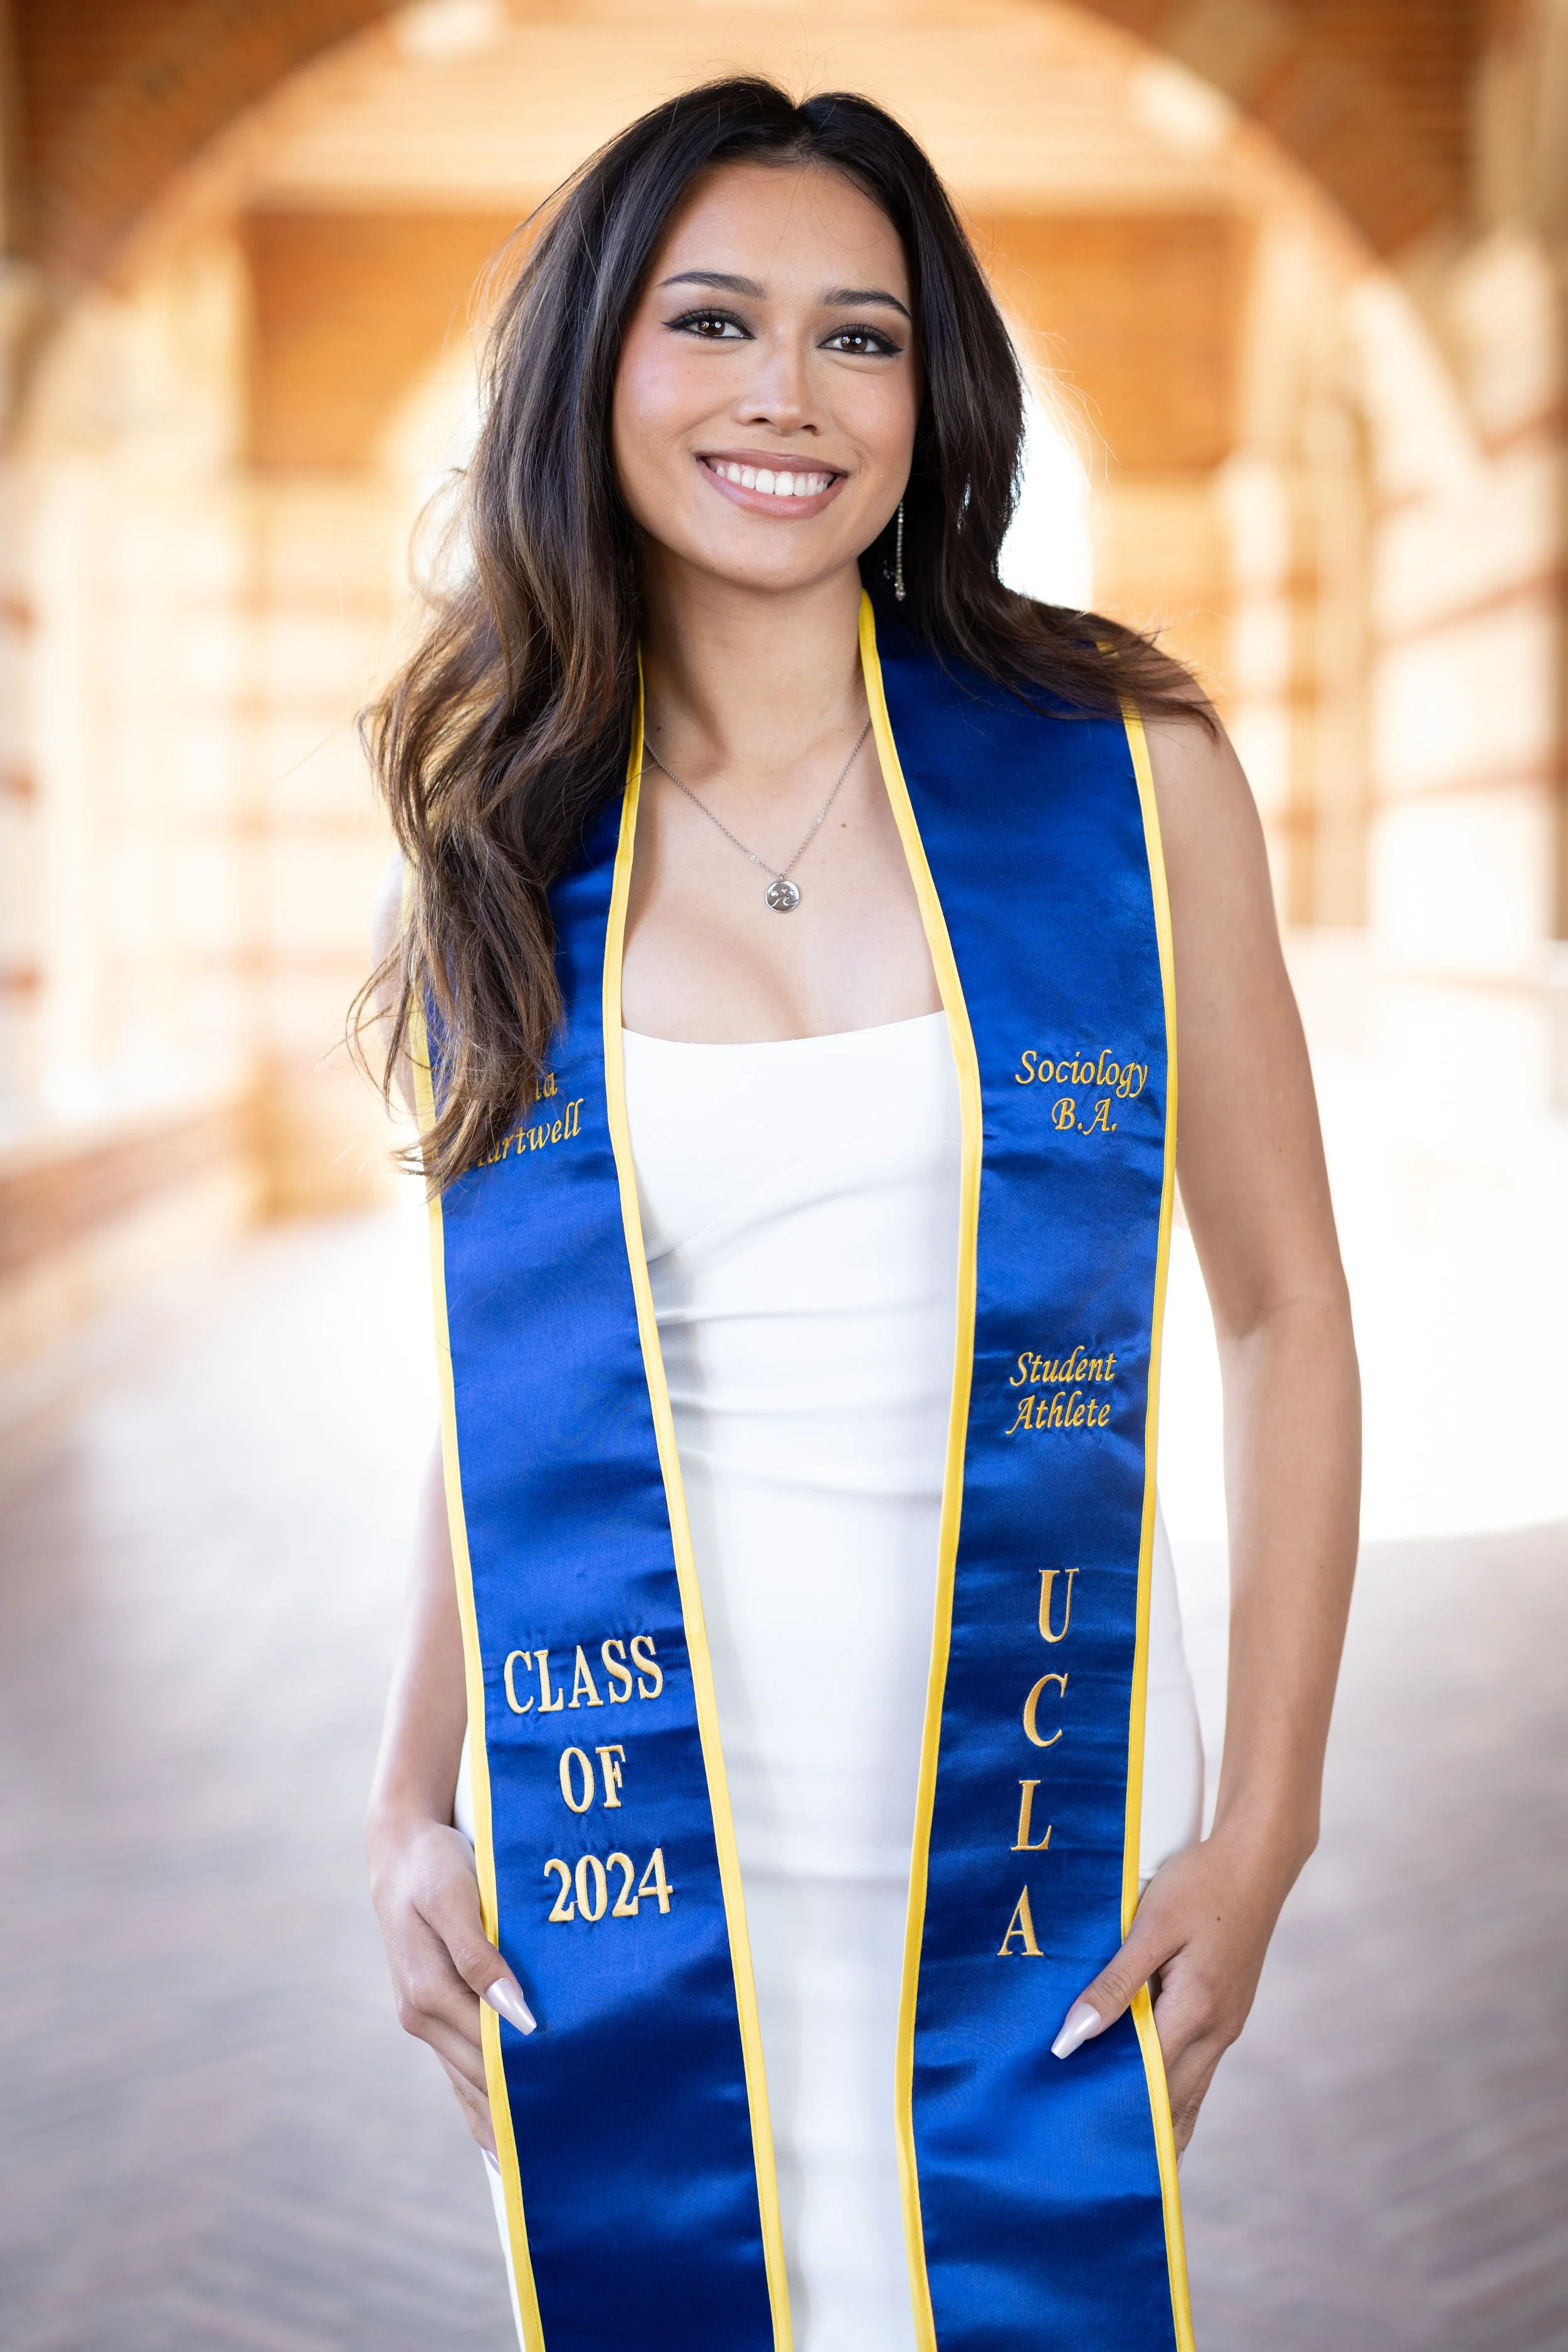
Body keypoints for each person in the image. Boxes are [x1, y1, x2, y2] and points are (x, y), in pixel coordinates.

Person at [360, 78, 1359, 2352]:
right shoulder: (505, 832)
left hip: (1031, 1776)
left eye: (862, 337)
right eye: (712, 321)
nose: (787, 398)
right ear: (596, 367)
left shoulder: (1120, 770)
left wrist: (1271, 1825)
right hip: (628, 1797)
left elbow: (1285, 1307)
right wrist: (404, 1800)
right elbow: (506, 1368)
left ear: (935, 393)